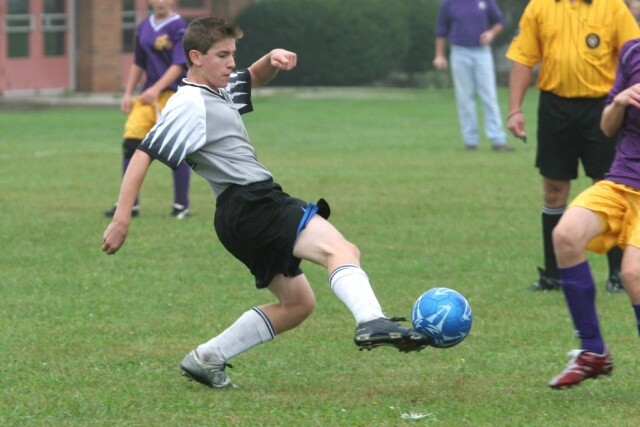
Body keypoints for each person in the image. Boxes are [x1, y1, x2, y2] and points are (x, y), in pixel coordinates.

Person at [102, 16, 431, 389]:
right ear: (195, 57)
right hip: (254, 203)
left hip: (237, 216)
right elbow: (144, 153)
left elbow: (251, 77)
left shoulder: (217, 88)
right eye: (222, 55)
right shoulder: (188, 103)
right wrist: (122, 217)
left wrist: (270, 59)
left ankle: (206, 357)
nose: (230, 63)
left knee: (298, 305)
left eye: (233, 54)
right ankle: (371, 320)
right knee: (340, 249)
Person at [505, 0, 640, 292]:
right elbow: (523, 58)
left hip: (603, 107)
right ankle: (554, 275)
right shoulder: (540, 7)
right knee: (554, 189)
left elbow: (633, 53)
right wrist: (514, 109)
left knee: (611, 186)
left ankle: (618, 273)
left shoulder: (613, 6)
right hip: (555, 106)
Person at [547, 37, 640, 389]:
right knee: (565, 235)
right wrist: (619, 100)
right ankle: (593, 352)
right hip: (620, 182)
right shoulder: (632, 51)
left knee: (633, 273)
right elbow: (606, 126)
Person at [104, 0, 191, 219]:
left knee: (175, 149)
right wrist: (128, 93)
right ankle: (130, 204)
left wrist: (157, 88)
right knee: (130, 144)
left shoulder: (179, 26)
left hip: (172, 95)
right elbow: (138, 62)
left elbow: (178, 65)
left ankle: (181, 205)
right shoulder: (143, 26)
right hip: (147, 95)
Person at [433, 0, 512, 152]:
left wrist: (491, 33)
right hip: (459, 51)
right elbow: (441, 30)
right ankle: (470, 140)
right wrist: (439, 55)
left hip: (482, 52)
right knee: (464, 97)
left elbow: (498, 22)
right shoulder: (449, 3)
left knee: (489, 95)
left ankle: (498, 139)